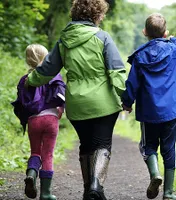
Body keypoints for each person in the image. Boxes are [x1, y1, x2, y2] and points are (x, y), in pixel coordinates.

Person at [24, 0, 126, 199]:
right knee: (102, 145)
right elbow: (116, 71)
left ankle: (90, 191)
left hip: (77, 104)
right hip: (104, 103)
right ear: (97, 15)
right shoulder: (103, 37)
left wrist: (29, 80)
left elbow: (46, 71)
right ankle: (96, 185)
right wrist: (127, 97)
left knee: (86, 145)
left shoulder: (64, 41)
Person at [121, 13, 176, 200]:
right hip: (170, 111)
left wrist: (127, 102)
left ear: (144, 32)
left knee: (148, 145)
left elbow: (132, 83)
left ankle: (155, 174)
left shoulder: (140, 57)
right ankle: (168, 192)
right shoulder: (173, 50)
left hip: (149, 112)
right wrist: (172, 38)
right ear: (165, 32)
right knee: (169, 148)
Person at [11, 44, 66, 200]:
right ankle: (46, 193)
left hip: (33, 121)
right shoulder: (53, 75)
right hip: (50, 119)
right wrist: (61, 108)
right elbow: (62, 94)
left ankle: (31, 175)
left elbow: (21, 103)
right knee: (47, 155)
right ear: (46, 58)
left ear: (29, 60)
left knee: (35, 152)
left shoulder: (25, 80)